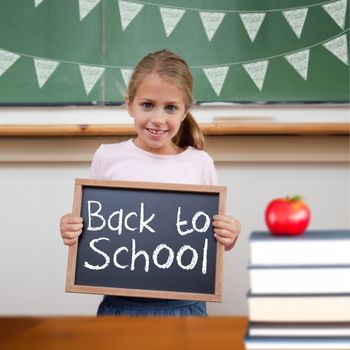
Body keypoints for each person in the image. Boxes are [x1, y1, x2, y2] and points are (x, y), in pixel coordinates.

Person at [60, 49, 241, 316]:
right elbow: (93, 226)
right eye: (147, 105)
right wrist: (71, 227)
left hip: (184, 309)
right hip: (120, 307)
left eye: (170, 107)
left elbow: (210, 238)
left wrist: (230, 233)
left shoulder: (199, 163)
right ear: (129, 104)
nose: (158, 119)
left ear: (185, 111)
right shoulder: (107, 157)